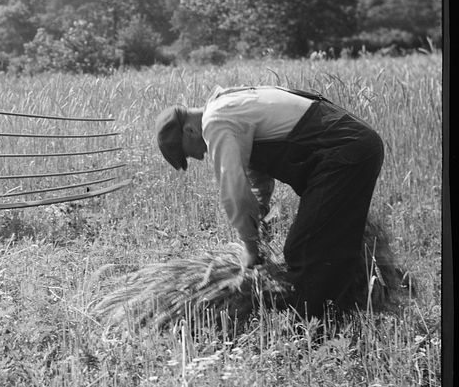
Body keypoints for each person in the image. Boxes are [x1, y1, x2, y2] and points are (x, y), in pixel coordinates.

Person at [154, 85, 385, 318]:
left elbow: (234, 191)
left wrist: (250, 247)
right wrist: (261, 219)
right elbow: (258, 180)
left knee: (305, 249)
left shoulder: (216, 120)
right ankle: (342, 312)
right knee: (330, 240)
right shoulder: (229, 104)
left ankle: (314, 327)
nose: (199, 156)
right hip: (351, 147)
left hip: (344, 153)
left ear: (190, 130)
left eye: (188, 153)